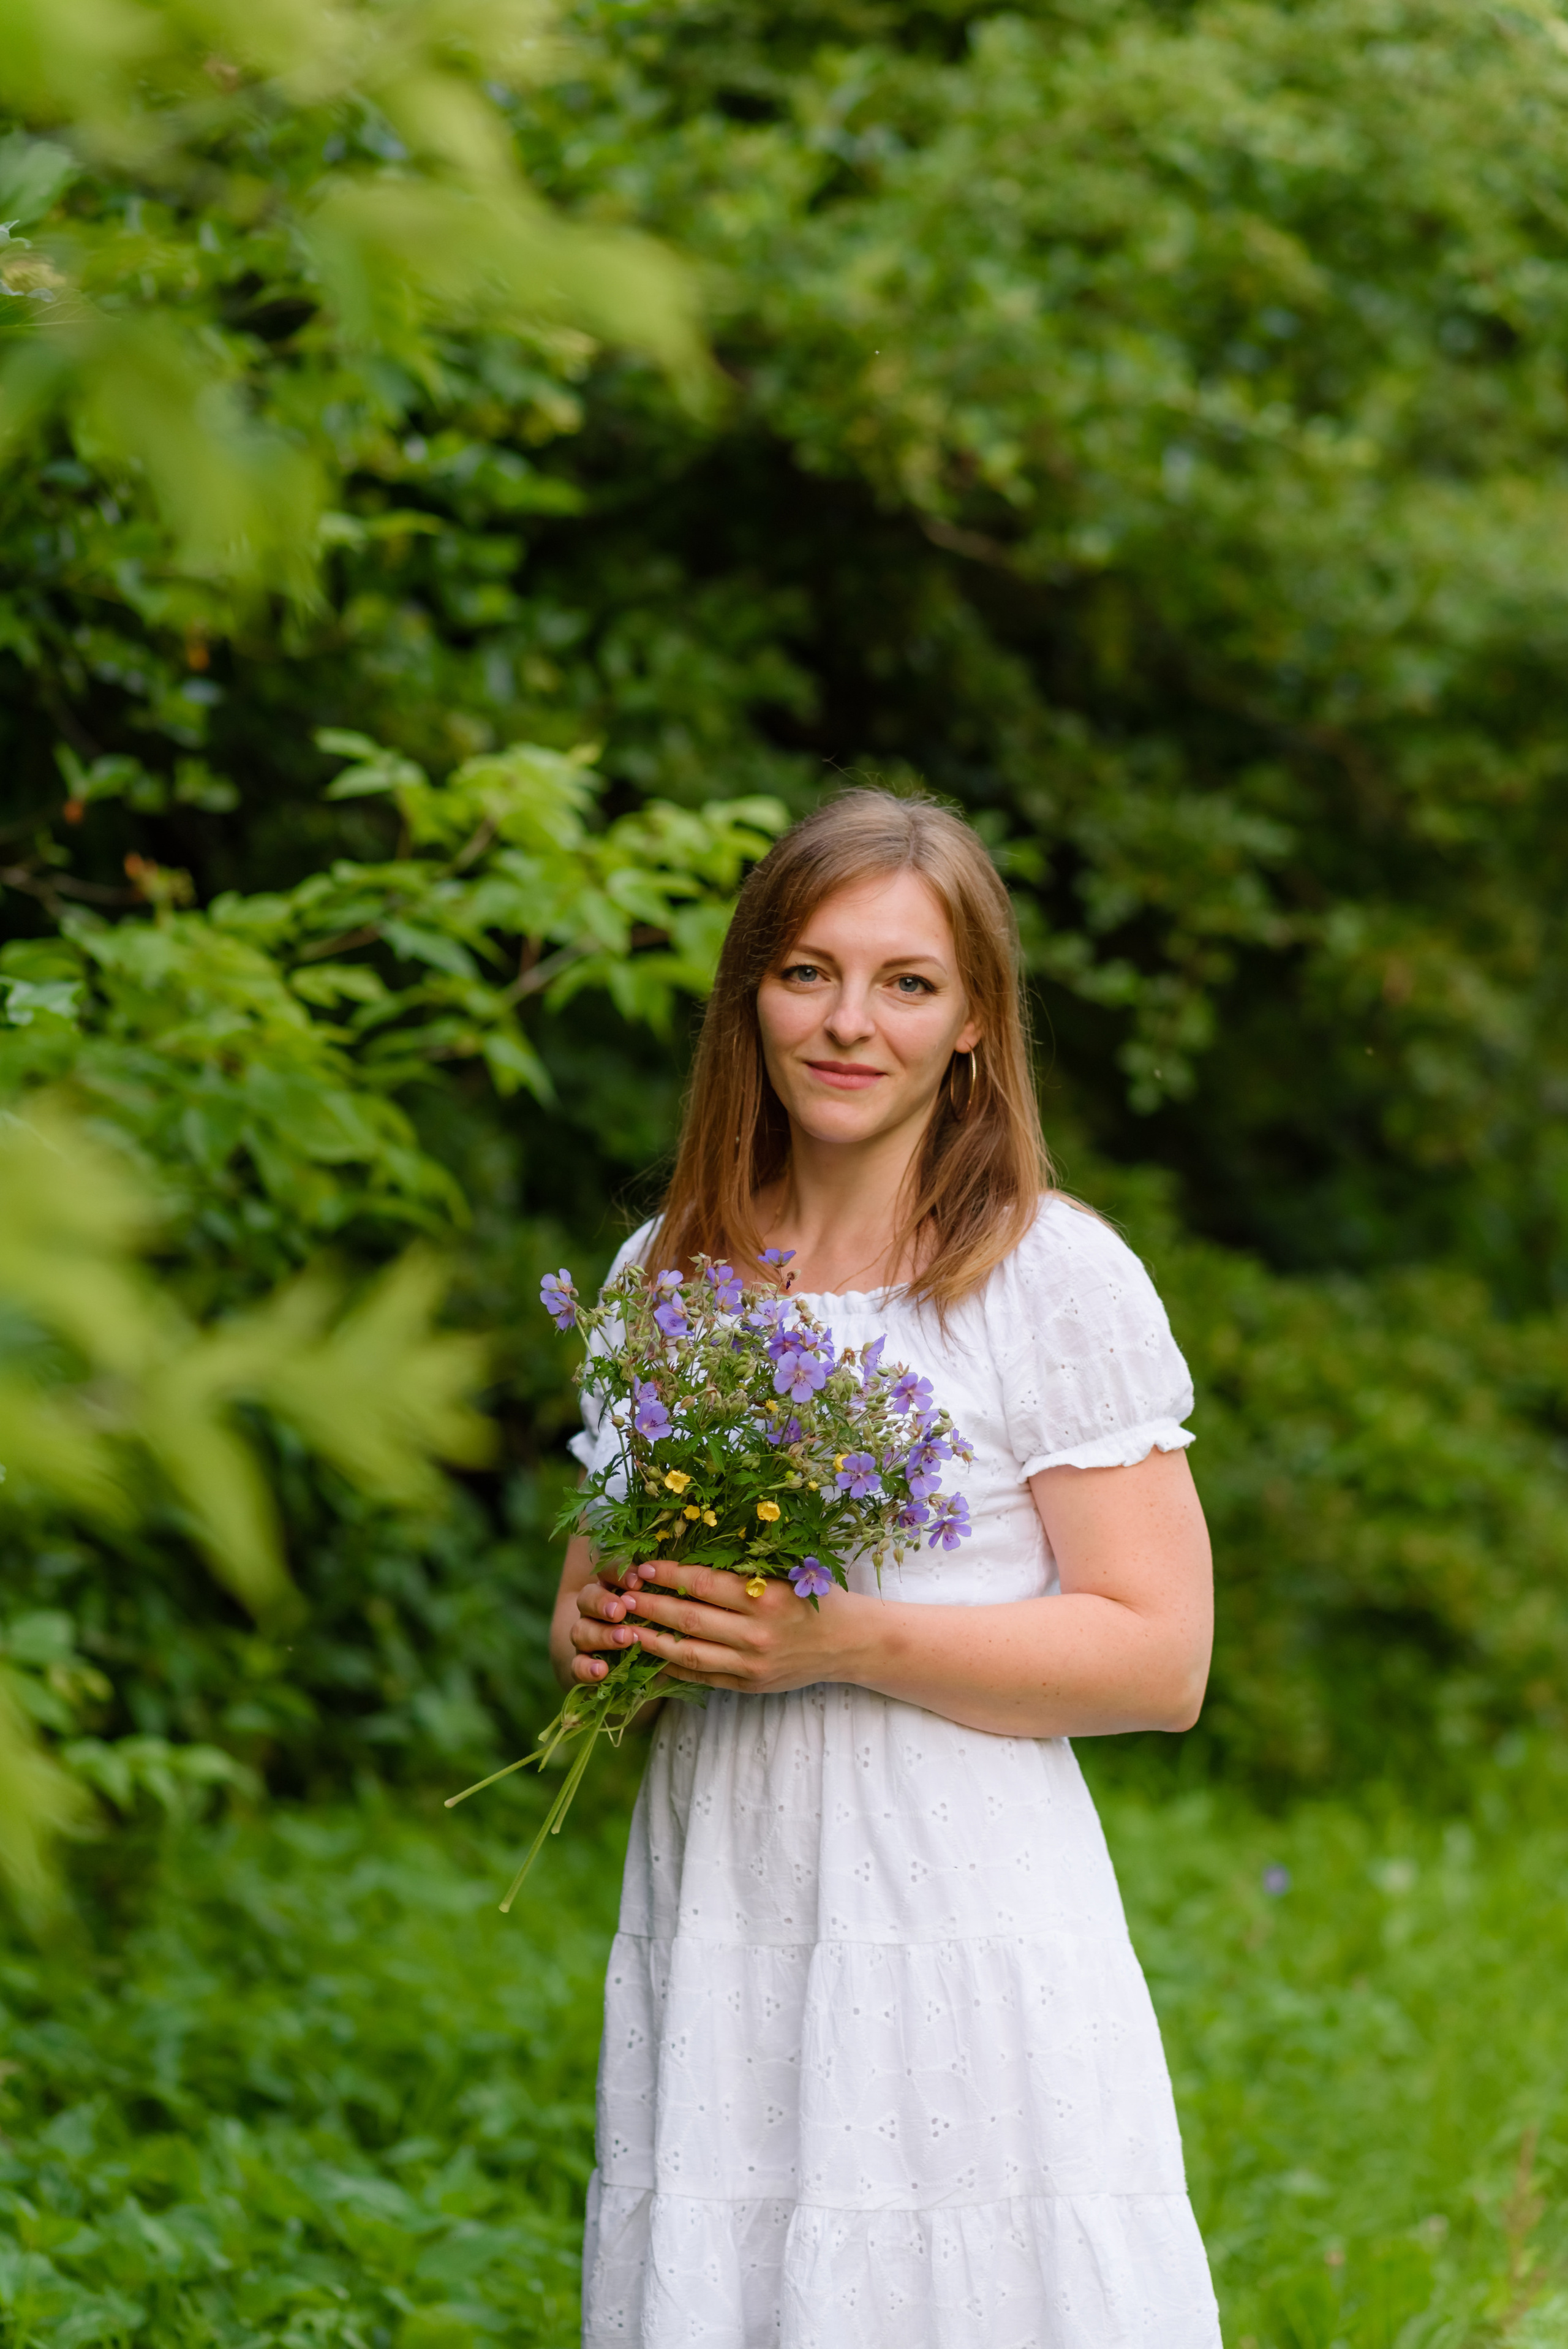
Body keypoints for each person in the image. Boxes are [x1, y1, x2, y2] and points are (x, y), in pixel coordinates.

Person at [549, 789, 1221, 2349]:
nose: (848, 1023)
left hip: (952, 1897)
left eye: (905, 983)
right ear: (751, 996)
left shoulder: (1040, 1271)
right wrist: (606, 1634)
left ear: (972, 1020)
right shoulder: (669, 1272)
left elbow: (1160, 1658)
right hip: (727, 1890)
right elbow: (591, 1591)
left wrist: (840, 1641)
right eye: (808, 973)